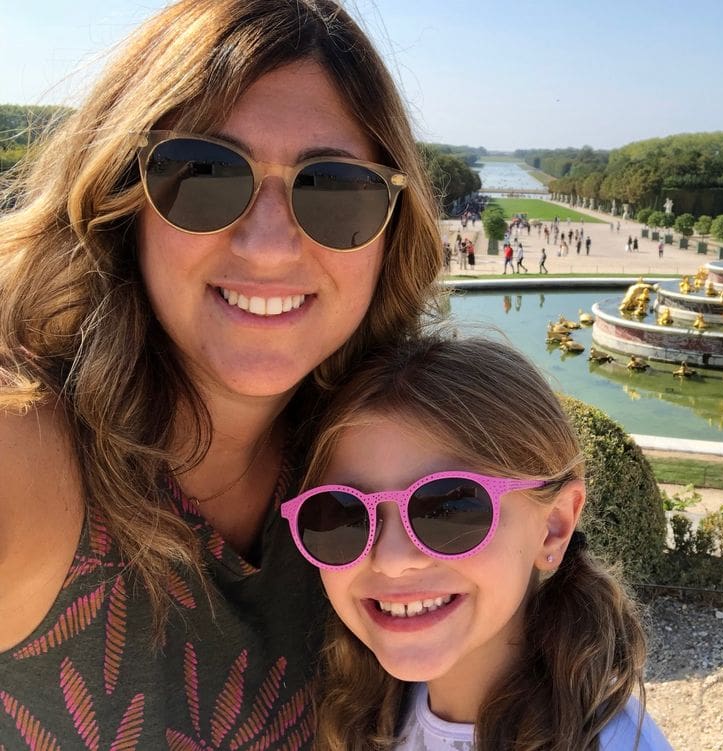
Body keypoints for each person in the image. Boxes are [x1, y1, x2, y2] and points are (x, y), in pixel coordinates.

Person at [0, 1, 442, 746]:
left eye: (334, 190)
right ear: (122, 197)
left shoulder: (386, 468)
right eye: (202, 174)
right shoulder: (28, 450)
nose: (268, 246)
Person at [282, 337, 673, 751]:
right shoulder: (360, 716)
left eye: (449, 511)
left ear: (554, 525)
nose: (393, 560)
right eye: (343, 515)